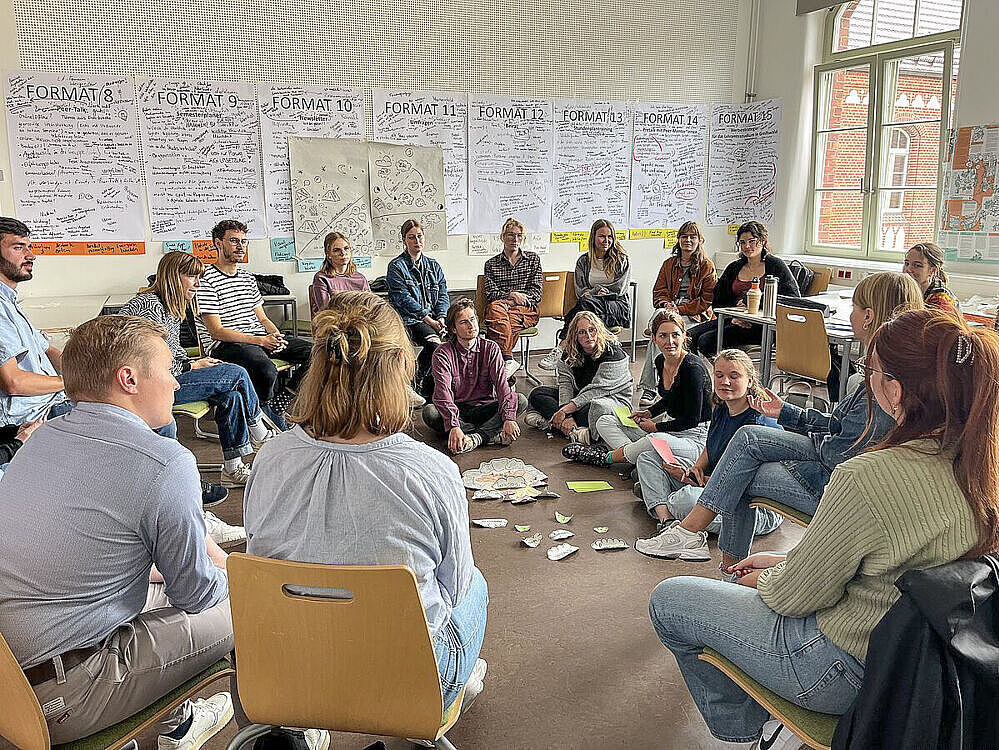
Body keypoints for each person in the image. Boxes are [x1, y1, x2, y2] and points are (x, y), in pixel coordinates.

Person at [648, 308, 997, 748]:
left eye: (869, 369)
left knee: (669, 600)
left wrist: (772, 576)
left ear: (894, 389)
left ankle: (740, 728)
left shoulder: (869, 475)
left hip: (844, 670)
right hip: (935, 671)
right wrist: (788, 559)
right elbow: (901, 561)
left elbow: (796, 597)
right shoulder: (985, 465)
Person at [244, 291, 488, 715]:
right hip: (407, 684)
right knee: (477, 585)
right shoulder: (432, 471)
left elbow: (259, 553)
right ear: (399, 369)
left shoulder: (270, 459)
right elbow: (453, 587)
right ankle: (456, 682)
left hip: (291, 670)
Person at [0, 316, 234, 746]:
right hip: (61, 694)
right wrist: (237, 575)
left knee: (163, 591)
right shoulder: (163, 461)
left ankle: (173, 726)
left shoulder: (40, 439)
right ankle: (221, 728)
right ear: (129, 378)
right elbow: (197, 595)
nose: (177, 383)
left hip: (10, 677)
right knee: (244, 605)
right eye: (168, 370)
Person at [635, 271, 923, 567]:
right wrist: (787, 412)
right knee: (745, 444)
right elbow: (839, 423)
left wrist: (807, 441)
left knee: (740, 470)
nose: (851, 314)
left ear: (869, 316)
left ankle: (708, 551)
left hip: (835, 484)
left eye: (855, 307)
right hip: (836, 465)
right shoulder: (885, 368)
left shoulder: (885, 380)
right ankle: (701, 544)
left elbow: (840, 452)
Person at [0, 217, 229, 508]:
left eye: (29, 247)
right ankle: (180, 500)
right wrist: (79, 383)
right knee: (158, 419)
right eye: (19, 248)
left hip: (56, 399)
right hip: (35, 415)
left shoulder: (10, 303)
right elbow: (14, 382)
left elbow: (53, 352)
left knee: (162, 411)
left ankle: (180, 497)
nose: (31, 255)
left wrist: (89, 371)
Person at [120, 251, 278, 487]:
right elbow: (146, 361)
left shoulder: (172, 305)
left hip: (172, 377)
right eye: (192, 277)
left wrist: (196, 364)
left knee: (231, 396)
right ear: (173, 277)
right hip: (150, 387)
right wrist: (192, 365)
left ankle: (233, 469)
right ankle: (260, 433)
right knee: (236, 373)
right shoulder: (149, 305)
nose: (198, 283)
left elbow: (172, 351)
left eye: (199, 277)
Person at [633, 350, 783, 561]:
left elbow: (753, 482)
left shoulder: (759, 422)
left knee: (684, 500)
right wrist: (696, 469)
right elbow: (709, 446)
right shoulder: (722, 407)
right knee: (647, 459)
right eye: (719, 375)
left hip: (751, 506)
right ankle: (667, 522)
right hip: (712, 486)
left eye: (734, 376)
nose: (725, 382)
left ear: (750, 381)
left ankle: (664, 503)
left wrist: (704, 483)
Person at [196, 219, 312, 428]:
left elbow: (263, 318)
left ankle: (279, 403)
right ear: (218, 243)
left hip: (259, 339)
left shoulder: (248, 278)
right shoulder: (206, 279)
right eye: (234, 241)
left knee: (317, 352)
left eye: (244, 241)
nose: (241, 246)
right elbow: (217, 332)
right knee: (266, 369)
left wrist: (275, 336)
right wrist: (261, 340)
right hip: (227, 345)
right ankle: (261, 418)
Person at [563, 310, 711, 466]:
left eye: (675, 335)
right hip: (669, 429)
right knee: (604, 421)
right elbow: (671, 398)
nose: (670, 341)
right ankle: (636, 457)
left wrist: (655, 427)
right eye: (663, 336)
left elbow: (692, 420)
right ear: (653, 338)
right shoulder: (661, 360)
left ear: (684, 336)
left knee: (654, 440)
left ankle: (607, 458)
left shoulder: (692, 368)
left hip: (693, 437)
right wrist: (649, 412)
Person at [422, 299, 527, 454]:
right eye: (464, 322)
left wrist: (509, 418)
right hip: (459, 409)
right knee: (430, 412)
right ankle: (488, 435)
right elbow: (443, 393)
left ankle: (475, 438)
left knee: (520, 400)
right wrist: (454, 425)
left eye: (473, 320)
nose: (471, 326)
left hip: (485, 408)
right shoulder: (442, 353)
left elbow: (502, 386)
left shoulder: (491, 348)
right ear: (453, 329)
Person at [687, 221, 800, 357]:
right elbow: (717, 300)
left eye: (752, 241)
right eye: (742, 242)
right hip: (734, 320)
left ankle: (724, 373)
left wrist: (753, 300)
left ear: (762, 241)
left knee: (706, 341)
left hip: (761, 326)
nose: (747, 246)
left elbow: (793, 298)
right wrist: (733, 317)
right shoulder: (734, 267)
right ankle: (699, 375)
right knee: (688, 337)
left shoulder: (776, 265)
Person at [637, 222, 717, 407]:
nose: (688, 240)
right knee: (661, 329)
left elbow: (706, 300)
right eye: (684, 236)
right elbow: (659, 291)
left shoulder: (706, 266)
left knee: (660, 337)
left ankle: (651, 388)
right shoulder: (669, 264)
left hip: (694, 315)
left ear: (699, 241)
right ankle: (662, 384)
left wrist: (680, 309)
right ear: (679, 239)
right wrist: (667, 304)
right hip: (668, 309)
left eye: (692, 237)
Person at [524, 311, 633, 445]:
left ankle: (553, 422)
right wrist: (567, 415)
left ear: (599, 330)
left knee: (597, 408)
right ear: (575, 335)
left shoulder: (614, 353)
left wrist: (564, 410)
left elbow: (597, 391)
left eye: (592, 330)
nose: (588, 336)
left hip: (611, 400)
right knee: (538, 393)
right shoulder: (568, 354)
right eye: (582, 332)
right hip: (579, 399)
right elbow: (565, 385)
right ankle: (572, 428)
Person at [539, 219, 631, 370]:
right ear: (593, 237)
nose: (606, 240)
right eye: (602, 236)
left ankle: (561, 347)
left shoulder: (622, 259)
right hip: (592, 306)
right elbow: (580, 289)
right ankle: (570, 359)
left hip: (616, 306)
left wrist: (596, 292)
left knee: (584, 306)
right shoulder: (583, 260)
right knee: (584, 306)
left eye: (610, 237)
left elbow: (620, 289)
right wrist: (595, 293)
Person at [386, 219, 449, 387]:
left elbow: (443, 294)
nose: (417, 241)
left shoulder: (433, 266)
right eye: (411, 237)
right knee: (434, 344)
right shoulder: (396, 266)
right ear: (404, 240)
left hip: (435, 319)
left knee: (464, 337)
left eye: (420, 236)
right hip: (409, 320)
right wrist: (430, 320)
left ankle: (447, 384)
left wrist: (442, 317)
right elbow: (403, 300)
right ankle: (413, 381)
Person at [482, 217, 543, 379]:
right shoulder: (491, 264)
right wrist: (511, 295)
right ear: (502, 237)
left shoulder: (533, 260)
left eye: (518, 235)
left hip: (525, 309)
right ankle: (507, 363)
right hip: (500, 306)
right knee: (496, 311)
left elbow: (536, 293)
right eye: (510, 235)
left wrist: (515, 300)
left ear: (523, 238)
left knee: (499, 323)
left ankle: (501, 364)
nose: (514, 239)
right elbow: (490, 293)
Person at [309, 231, 370, 316]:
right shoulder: (321, 278)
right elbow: (325, 310)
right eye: (336, 250)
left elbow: (369, 306)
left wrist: (339, 295)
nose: (343, 253)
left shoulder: (360, 278)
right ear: (328, 254)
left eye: (346, 248)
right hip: (333, 323)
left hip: (358, 322)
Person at [903, 241, 959, 313]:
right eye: (906, 263)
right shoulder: (903, 289)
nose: (908, 269)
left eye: (917, 265)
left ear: (932, 271)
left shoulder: (941, 300)